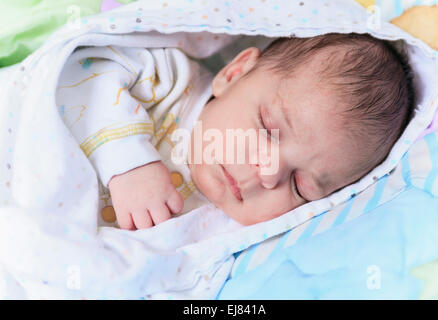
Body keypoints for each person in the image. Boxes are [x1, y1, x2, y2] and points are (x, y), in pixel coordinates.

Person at [55, 33, 415, 229]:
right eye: (269, 129)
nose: (269, 173)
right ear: (233, 74)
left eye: (300, 186)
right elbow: (78, 69)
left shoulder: (223, 233)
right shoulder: (165, 78)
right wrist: (128, 162)